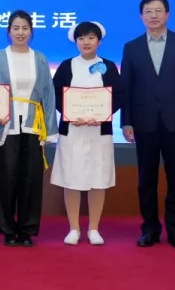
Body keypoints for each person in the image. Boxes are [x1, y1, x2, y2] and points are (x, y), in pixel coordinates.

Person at [121, 0, 175, 250]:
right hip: (143, 122)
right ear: (141, 16)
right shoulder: (131, 47)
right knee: (146, 179)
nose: (153, 15)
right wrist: (126, 122)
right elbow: (126, 88)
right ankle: (150, 230)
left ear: (167, 14)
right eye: (148, 11)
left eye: (158, 11)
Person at [0, 10, 57, 247]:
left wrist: (49, 129)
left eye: (25, 28)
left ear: (31, 31)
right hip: (6, 126)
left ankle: (26, 229)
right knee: (5, 179)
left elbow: (48, 95)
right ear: (9, 31)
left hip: (33, 126)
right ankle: (7, 229)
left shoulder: (40, 59)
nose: (20, 32)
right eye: (16, 28)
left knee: (31, 179)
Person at [50, 21, 122, 246]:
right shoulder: (66, 66)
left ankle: (93, 228)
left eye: (91, 37)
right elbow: (55, 95)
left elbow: (118, 95)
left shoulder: (108, 66)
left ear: (99, 41)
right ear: (76, 42)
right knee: (71, 178)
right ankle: (74, 228)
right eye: (81, 38)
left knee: (98, 178)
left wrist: (102, 114)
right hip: (72, 129)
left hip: (100, 130)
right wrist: (70, 113)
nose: (86, 42)